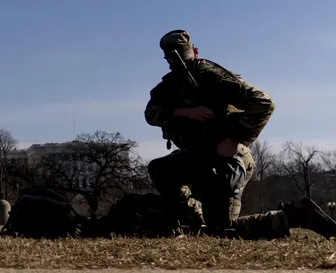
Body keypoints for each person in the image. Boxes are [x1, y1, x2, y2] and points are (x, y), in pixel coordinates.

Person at [144, 29, 336, 239]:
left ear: (196, 51)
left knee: (224, 231)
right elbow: (151, 114)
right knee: (160, 169)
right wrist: (184, 112)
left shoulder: (212, 76)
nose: (180, 66)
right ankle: (195, 223)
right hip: (198, 157)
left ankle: (295, 216)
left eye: (184, 59)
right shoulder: (168, 87)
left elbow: (264, 103)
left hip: (227, 161)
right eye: (174, 61)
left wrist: (234, 140)